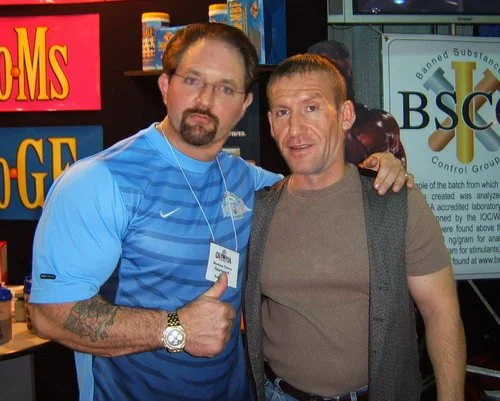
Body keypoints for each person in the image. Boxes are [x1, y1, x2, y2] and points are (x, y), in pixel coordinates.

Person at [29, 23, 411, 401]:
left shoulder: (248, 180)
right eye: (192, 80)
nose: (205, 99)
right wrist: (175, 328)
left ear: (245, 105)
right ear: (165, 86)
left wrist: (373, 171)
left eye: (225, 88)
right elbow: (49, 315)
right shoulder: (100, 181)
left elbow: (319, 186)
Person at [244, 54, 466, 401]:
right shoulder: (258, 210)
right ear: (271, 124)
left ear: (345, 115)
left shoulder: (394, 201)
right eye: (283, 112)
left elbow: (441, 312)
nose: (296, 129)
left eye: (312, 108)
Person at [308, 40, 407, 167]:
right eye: (326, 76)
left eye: (340, 74)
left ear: (351, 76)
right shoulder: (300, 128)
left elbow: (401, 171)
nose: (335, 83)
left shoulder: (380, 122)